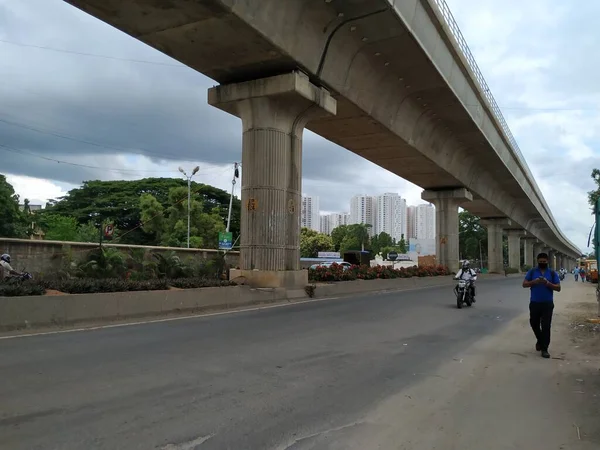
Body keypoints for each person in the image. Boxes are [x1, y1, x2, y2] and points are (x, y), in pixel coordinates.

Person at [522, 252, 561, 358]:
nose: (542, 263)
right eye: (541, 262)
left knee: (546, 326)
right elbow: (524, 284)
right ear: (537, 261)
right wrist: (534, 281)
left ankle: (545, 349)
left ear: (547, 261)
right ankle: (540, 340)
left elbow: (558, 288)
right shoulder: (532, 272)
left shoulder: (552, 273)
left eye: (544, 261)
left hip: (547, 304)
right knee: (534, 323)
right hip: (534, 303)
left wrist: (547, 283)